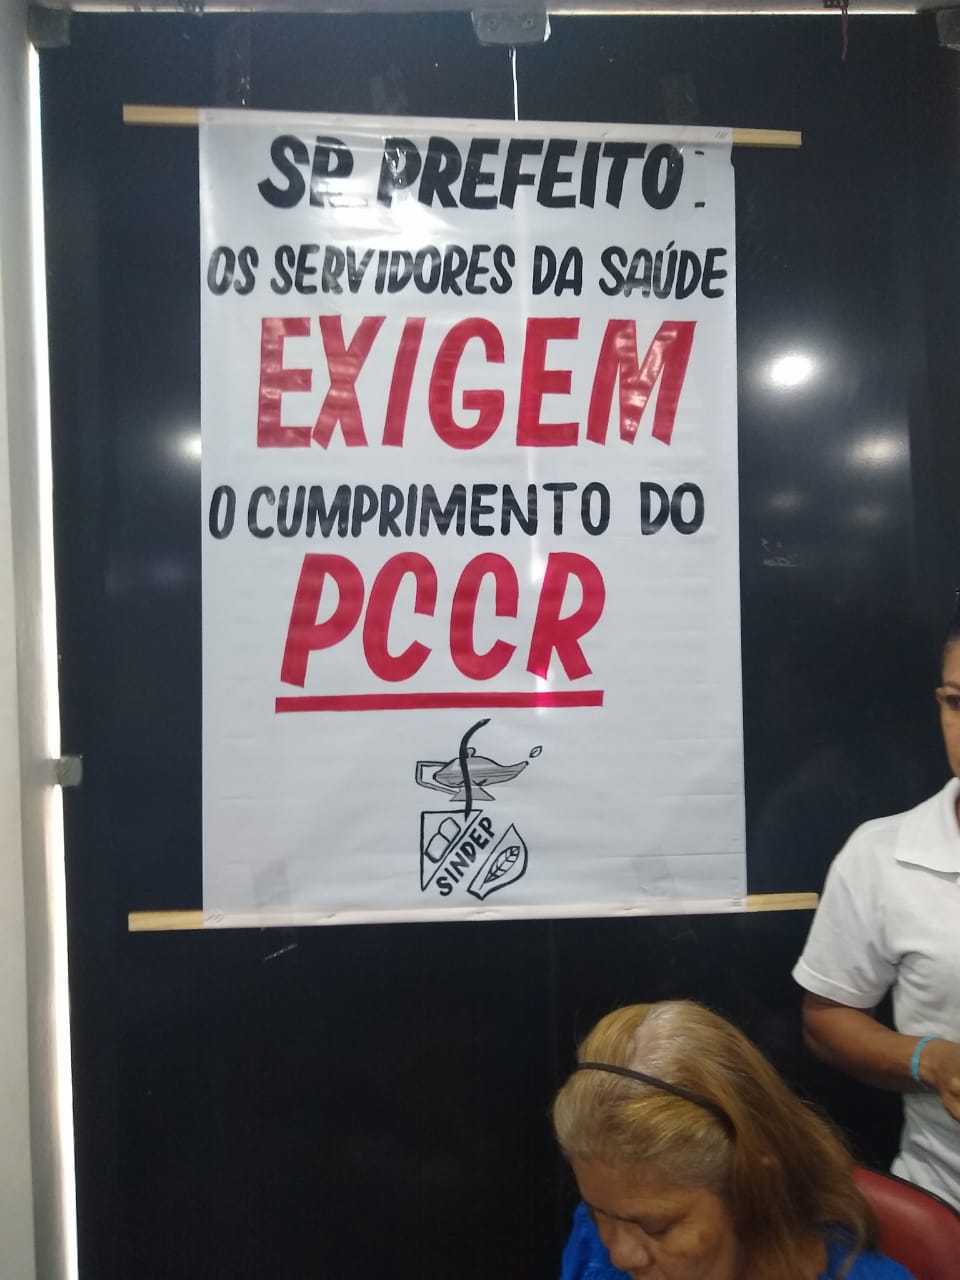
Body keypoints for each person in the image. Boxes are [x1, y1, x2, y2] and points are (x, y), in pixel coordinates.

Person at [793, 600, 960, 1208]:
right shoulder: (883, 854)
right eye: (957, 702)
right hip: (943, 1204)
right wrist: (929, 1060)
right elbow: (827, 1016)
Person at [552, 1000, 912, 1280]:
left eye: (656, 1228)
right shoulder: (606, 1221)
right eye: (598, 1214)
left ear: (755, 1188)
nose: (619, 1255)